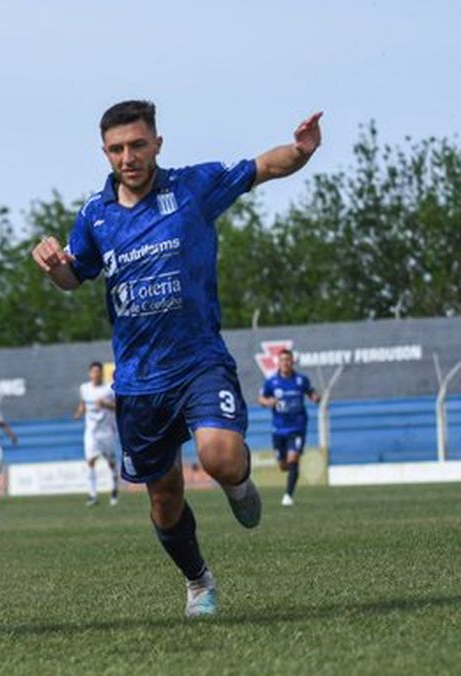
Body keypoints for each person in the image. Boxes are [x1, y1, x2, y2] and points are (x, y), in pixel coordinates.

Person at [31, 100, 321, 617]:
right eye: (117, 149)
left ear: (157, 144)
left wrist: (299, 151)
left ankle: (239, 482)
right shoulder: (95, 216)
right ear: (105, 152)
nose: (129, 157)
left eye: (138, 145)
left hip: (198, 362)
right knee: (164, 499)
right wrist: (54, 267)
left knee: (219, 457)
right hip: (140, 383)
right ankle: (198, 582)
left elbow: (263, 167)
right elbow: (76, 275)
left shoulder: (191, 189)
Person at [257, 349, 319, 507]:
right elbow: (261, 398)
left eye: (288, 360)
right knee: (283, 465)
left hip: (298, 426)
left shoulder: (301, 380)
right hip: (279, 429)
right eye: (282, 360)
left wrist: (314, 397)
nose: (285, 363)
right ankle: (284, 463)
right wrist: (267, 402)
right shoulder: (271, 382)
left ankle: (288, 495)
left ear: (292, 362)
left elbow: (310, 390)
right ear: (278, 363)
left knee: (293, 459)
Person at [73, 362, 119, 507]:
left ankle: (114, 490)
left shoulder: (109, 389)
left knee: (111, 463)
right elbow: (83, 404)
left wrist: (106, 404)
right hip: (91, 432)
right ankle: (93, 495)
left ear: (101, 373)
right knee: (90, 462)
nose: (96, 374)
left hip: (107, 431)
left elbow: (119, 407)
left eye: (98, 372)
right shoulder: (84, 388)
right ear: (90, 373)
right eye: (93, 372)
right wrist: (79, 412)